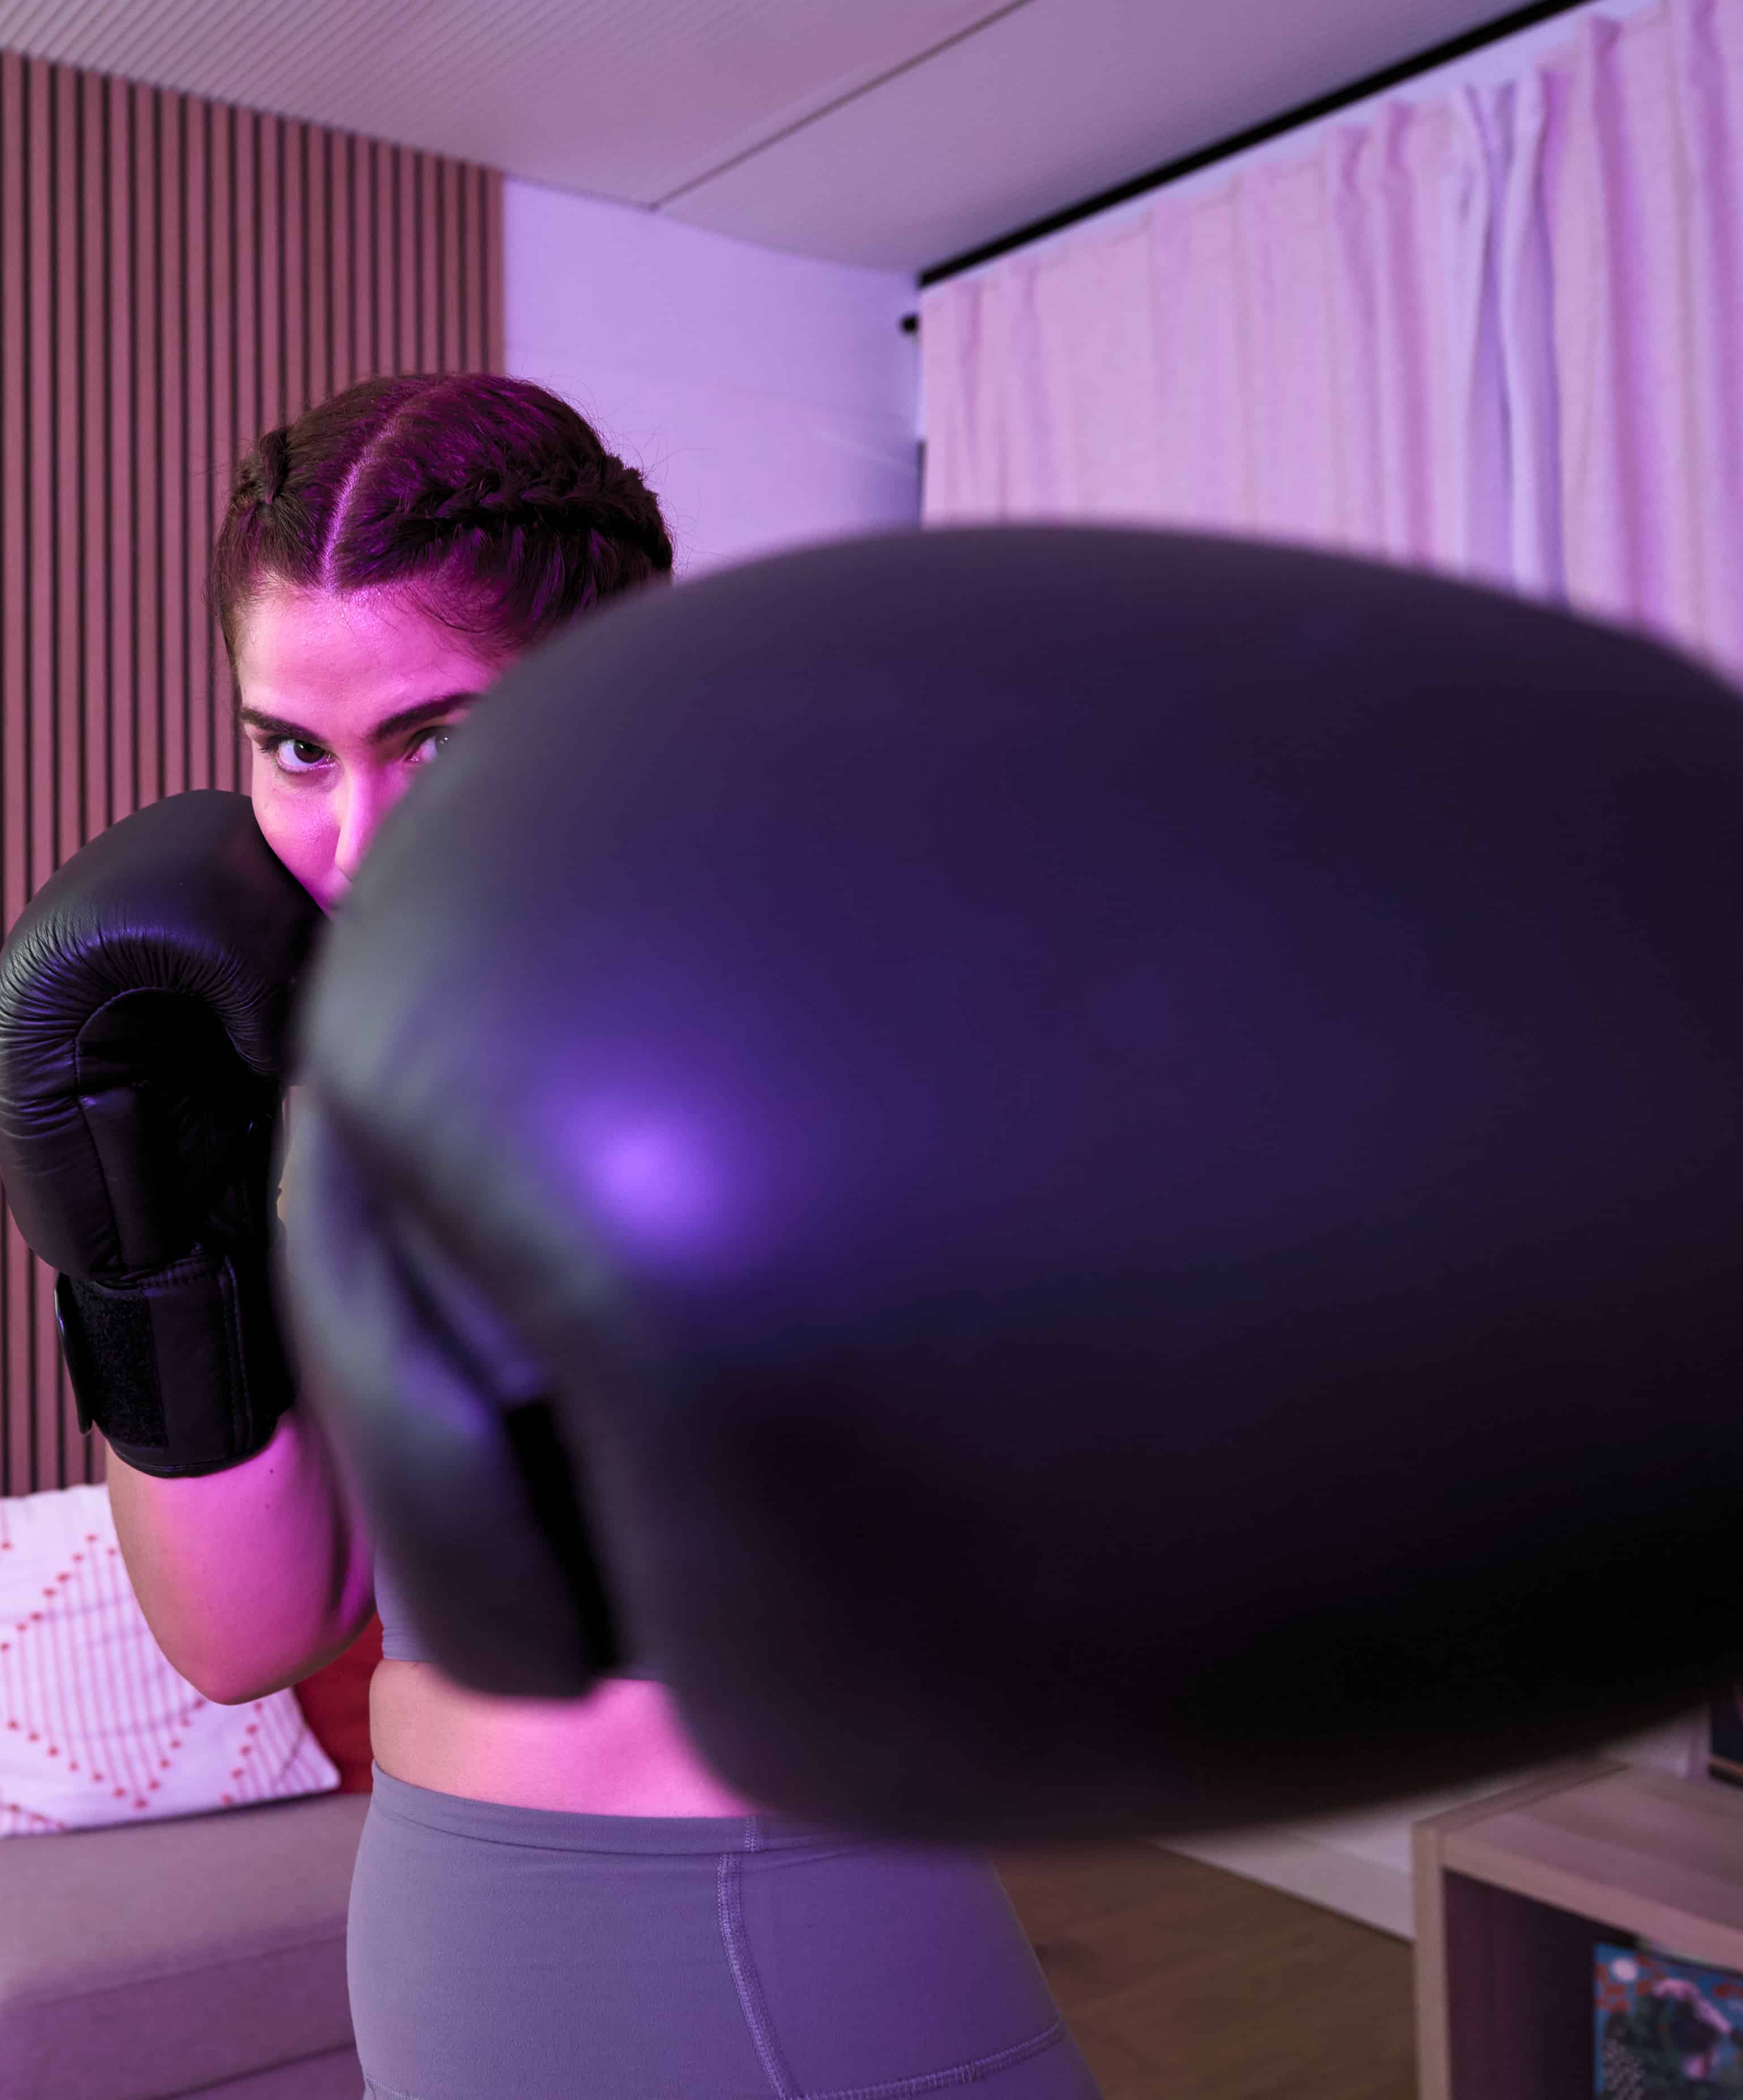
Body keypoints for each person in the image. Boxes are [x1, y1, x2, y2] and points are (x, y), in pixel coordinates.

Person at [83, 373, 1104, 2100]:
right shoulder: (344, 1058)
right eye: (291, 750)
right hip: (464, 1904)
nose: (356, 842)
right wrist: (135, 1236)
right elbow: (250, 1631)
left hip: (786, 1901)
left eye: (442, 739)